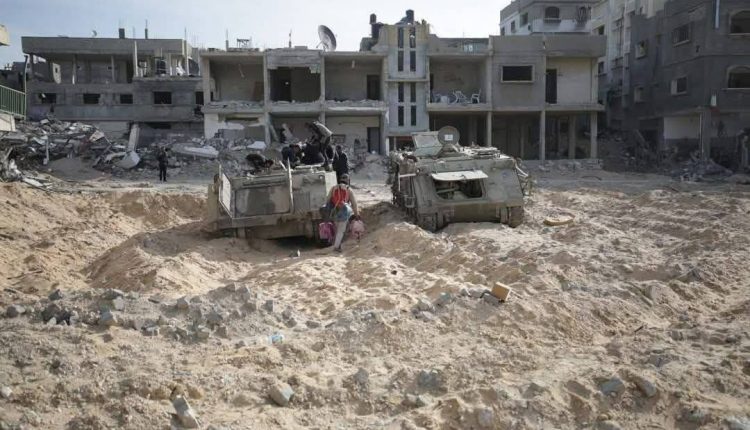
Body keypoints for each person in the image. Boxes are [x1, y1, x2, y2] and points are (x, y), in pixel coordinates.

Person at [326, 174, 358, 252]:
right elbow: (354, 203)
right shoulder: (348, 189)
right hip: (344, 211)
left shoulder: (333, 188)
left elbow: (327, 200)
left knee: (337, 230)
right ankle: (336, 247)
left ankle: (337, 245)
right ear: (348, 180)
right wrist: (356, 214)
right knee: (341, 231)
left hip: (334, 211)